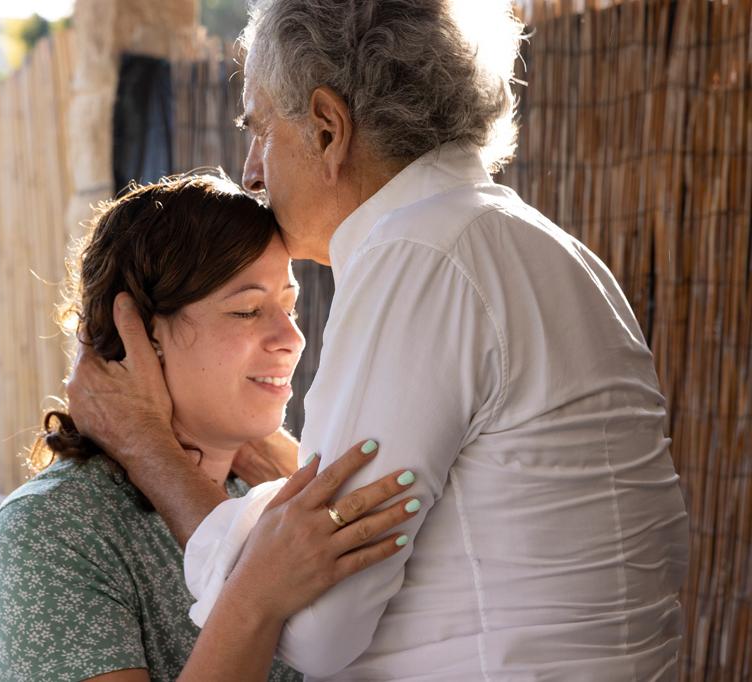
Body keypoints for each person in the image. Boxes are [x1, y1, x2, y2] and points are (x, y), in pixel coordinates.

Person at [65, 1, 691, 680]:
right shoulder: (544, 247)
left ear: (329, 129)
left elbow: (314, 628)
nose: (250, 171)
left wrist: (147, 447)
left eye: (260, 129)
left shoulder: (421, 258)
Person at [0, 173, 421, 682]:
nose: (291, 338)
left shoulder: (257, 498)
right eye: (248, 310)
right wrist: (254, 596)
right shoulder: (54, 531)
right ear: (139, 332)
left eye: (289, 306)